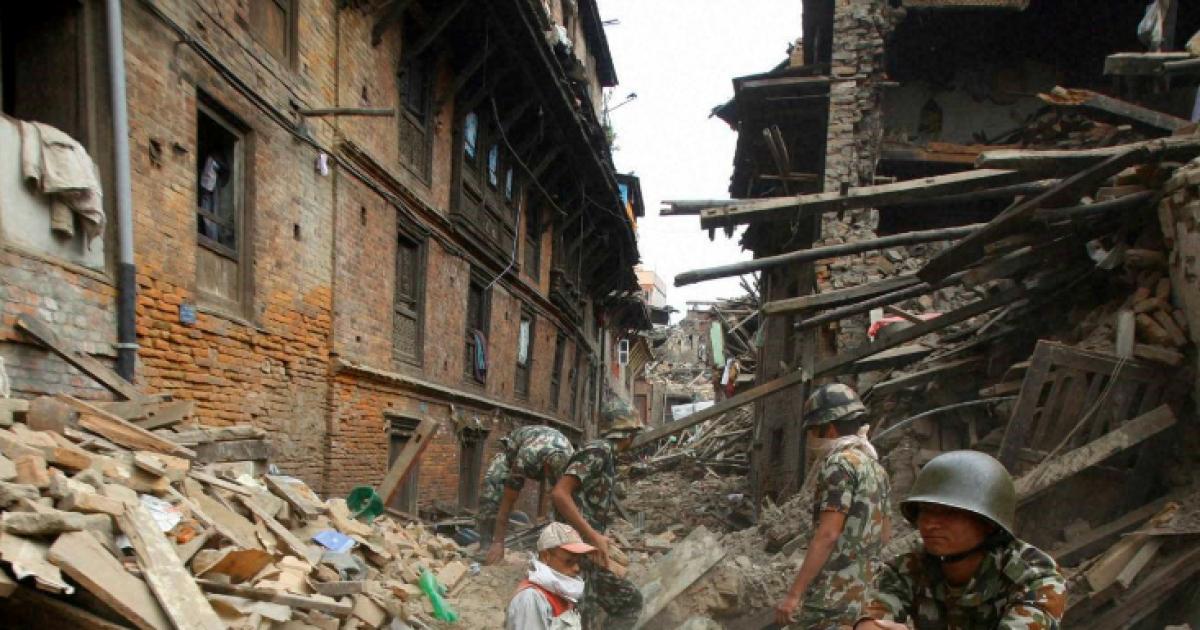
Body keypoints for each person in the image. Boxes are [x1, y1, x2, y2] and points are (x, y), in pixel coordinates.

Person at [854, 450, 1067, 630]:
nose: (930, 524)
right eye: (925, 510)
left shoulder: (1034, 577)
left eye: (948, 513)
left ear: (987, 523)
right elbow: (871, 620)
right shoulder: (908, 567)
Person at [775, 383, 892, 629]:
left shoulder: (839, 464)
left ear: (828, 429)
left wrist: (794, 595)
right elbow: (885, 534)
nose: (810, 438)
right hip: (864, 596)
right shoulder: (876, 467)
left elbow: (828, 534)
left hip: (831, 600)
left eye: (812, 430)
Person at [550, 397, 645, 630]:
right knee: (586, 617)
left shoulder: (606, 454)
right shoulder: (598, 451)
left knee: (628, 602)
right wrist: (592, 535)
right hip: (576, 551)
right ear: (628, 433)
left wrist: (598, 536)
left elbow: (586, 503)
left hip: (588, 551)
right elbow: (560, 494)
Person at [479, 425, 575, 565]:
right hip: (512, 452)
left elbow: (566, 501)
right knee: (492, 489)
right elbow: (508, 501)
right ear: (545, 465)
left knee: (561, 503)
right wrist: (499, 542)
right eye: (550, 474)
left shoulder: (571, 462)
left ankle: (561, 550)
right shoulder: (527, 457)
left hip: (547, 447)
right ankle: (486, 545)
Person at [505, 522, 594, 630]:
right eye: (569, 561)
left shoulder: (560, 593)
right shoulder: (532, 598)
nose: (577, 568)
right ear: (545, 556)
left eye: (578, 561)